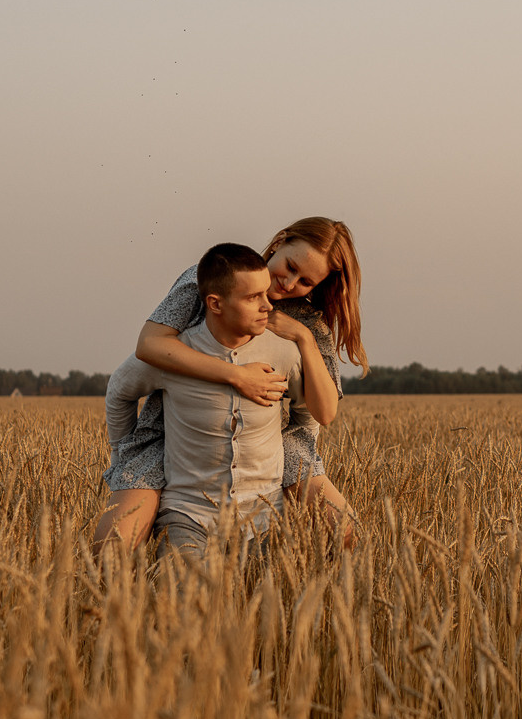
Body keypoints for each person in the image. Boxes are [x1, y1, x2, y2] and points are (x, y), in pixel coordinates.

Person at [96, 217, 364, 552]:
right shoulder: (212, 279)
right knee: (113, 546)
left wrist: (303, 337)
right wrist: (237, 375)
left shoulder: (306, 319)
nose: (289, 282)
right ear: (280, 241)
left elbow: (323, 412)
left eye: (305, 281)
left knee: (347, 532)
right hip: (173, 429)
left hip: (279, 440)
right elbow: (150, 344)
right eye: (290, 266)